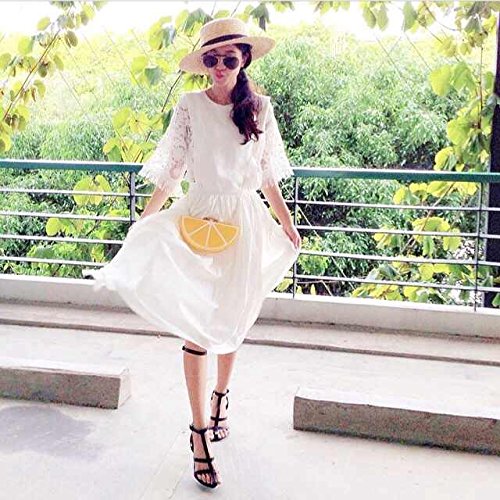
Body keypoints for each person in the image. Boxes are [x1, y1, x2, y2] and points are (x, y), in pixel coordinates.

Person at [85, 17, 301, 489]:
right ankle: (199, 433)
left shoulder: (260, 109)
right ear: (203, 64)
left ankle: (222, 396)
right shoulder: (189, 106)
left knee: (232, 316)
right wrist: (144, 221)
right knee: (197, 327)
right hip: (197, 218)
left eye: (229, 58)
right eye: (211, 58)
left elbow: (266, 176)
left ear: (243, 60)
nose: (220, 66)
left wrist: (286, 223)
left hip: (243, 222)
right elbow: (172, 172)